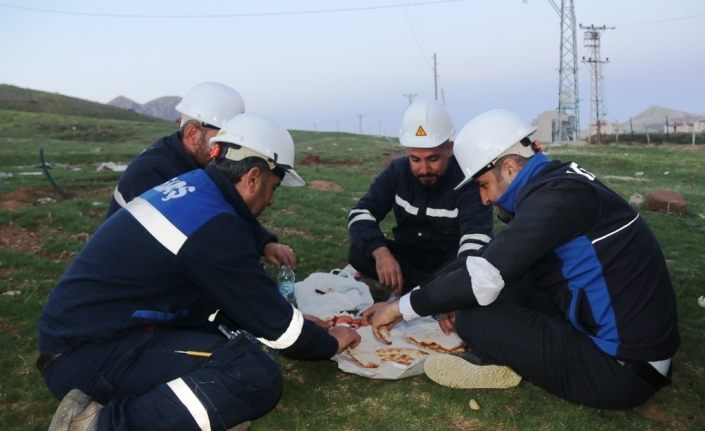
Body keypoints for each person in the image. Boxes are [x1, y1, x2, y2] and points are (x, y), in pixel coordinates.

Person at [38, 113, 361, 431]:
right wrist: (328, 342)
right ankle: (101, 425)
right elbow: (276, 328)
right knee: (254, 375)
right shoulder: (213, 224)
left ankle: (192, 411)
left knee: (233, 346)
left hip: (92, 340)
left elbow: (230, 300)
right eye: (274, 187)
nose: (272, 200)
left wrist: (297, 322)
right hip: (90, 357)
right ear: (252, 178)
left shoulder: (194, 190)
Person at [366, 109, 679, 409]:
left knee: (474, 316)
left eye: (483, 185)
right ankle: (503, 354)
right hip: (631, 344)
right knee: (494, 290)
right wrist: (427, 296)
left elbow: (482, 277)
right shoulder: (557, 183)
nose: (485, 199)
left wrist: (400, 308)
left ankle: (500, 356)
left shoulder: (555, 200)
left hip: (620, 371)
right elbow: (488, 259)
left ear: (510, 168)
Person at [106, 81, 295, 269]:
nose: (226, 147)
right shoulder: (151, 172)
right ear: (192, 133)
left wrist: (264, 242)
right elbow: (199, 243)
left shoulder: (197, 165)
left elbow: (227, 206)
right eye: (220, 139)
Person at [347, 99, 493, 295]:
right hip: (409, 259)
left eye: (433, 159)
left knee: (475, 262)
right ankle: (430, 295)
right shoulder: (396, 171)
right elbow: (361, 213)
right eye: (415, 159)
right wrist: (381, 253)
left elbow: (476, 240)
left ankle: (422, 295)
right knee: (358, 253)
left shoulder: (467, 178)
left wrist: (457, 279)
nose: (424, 169)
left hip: (450, 264)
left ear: (449, 149)